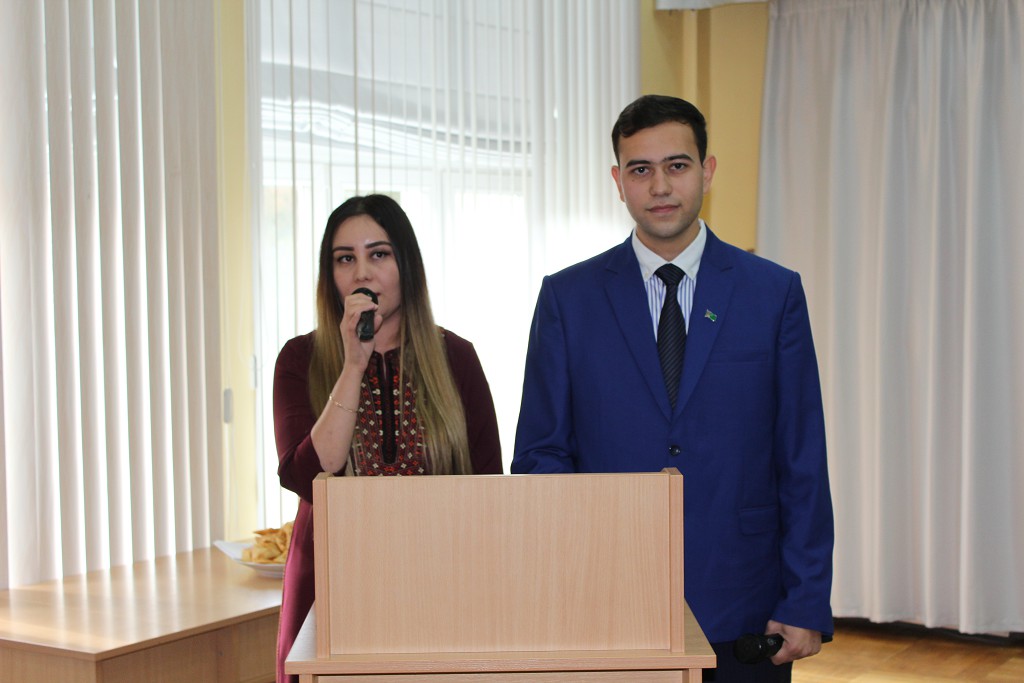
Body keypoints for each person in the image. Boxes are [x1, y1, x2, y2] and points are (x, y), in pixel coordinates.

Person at [511, 95, 833, 682]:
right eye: (640, 169)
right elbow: (541, 453)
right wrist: (570, 570)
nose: (660, 186)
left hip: (745, 602)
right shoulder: (568, 299)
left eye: (677, 166)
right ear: (618, 182)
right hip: (607, 601)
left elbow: (801, 457)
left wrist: (806, 598)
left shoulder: (772, 293)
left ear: (707, 171)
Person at [272, 194, 503, 683]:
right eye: (345, 259)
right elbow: (305, 476)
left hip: (440, 587)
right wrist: (352, 365)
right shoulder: (299, 358)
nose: (362, 273)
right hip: (332, 588)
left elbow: (489, 487)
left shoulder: (457, 357)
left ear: (407, 265)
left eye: (378, 254)